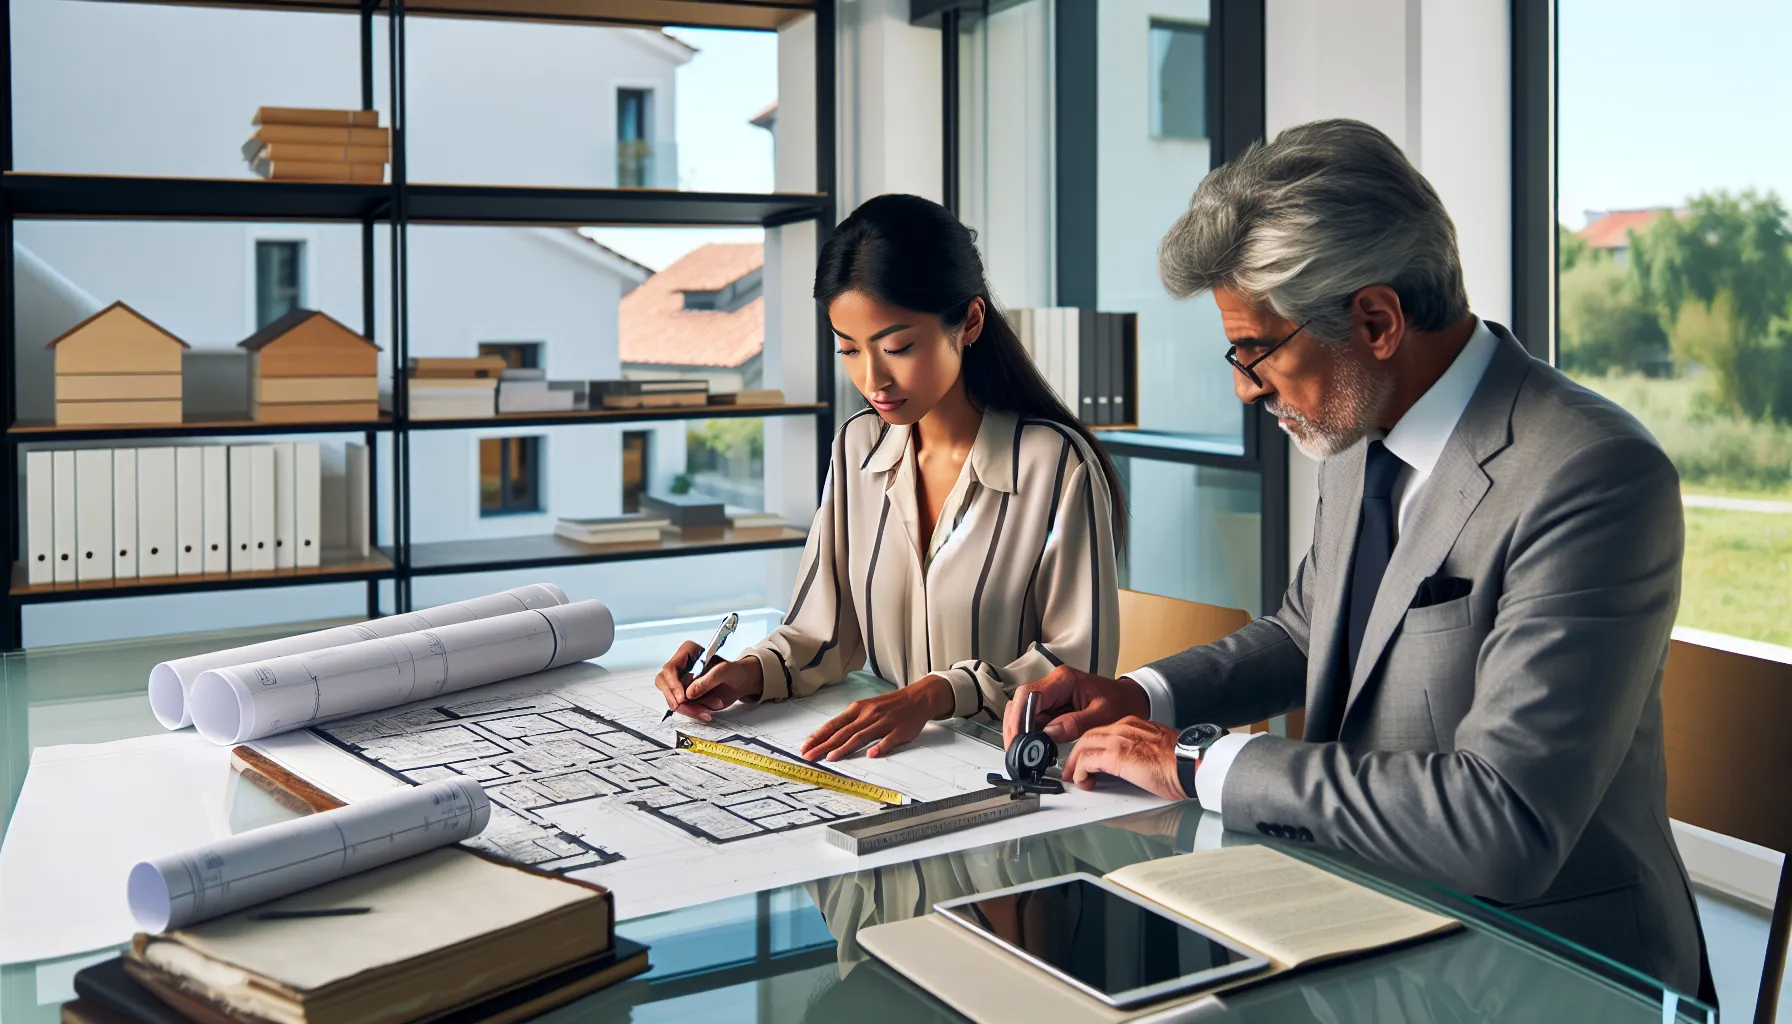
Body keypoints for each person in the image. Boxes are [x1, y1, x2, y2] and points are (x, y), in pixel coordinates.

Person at [1007, 119, 1713, 999]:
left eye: (1256, 351)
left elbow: (1502, 821)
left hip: (1550, 971)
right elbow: (1311, 634)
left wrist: (1192, 760)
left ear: (1376, 321)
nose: (1244, 386)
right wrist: (1143, 696)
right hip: (1357, 913)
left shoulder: (1592, 473)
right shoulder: (1363, 423)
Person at [654, 193, 1123, 762]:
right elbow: (822, 633)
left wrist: (936, 694)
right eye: (849, 350)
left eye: (897, 346)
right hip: (888, 764)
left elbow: (1079, 673)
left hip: (1011, 775)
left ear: (969, 322)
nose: (872, 378)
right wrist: (745, 672)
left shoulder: (1055, 466)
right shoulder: (858, 448)